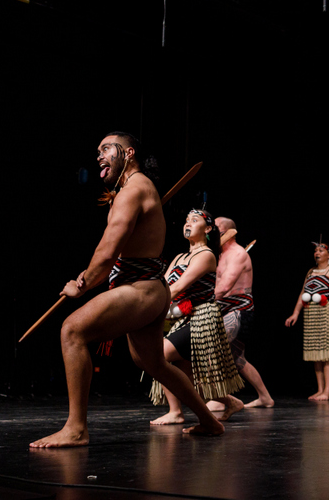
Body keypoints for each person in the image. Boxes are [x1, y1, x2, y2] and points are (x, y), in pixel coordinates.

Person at [30, 132, 224, 448]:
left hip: (141, 289)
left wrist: (82, 285)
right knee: (154, 363)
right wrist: (93, 275)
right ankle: (209, 421)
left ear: (129, 153)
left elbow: (108, 252)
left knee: (72, 330)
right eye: (97, 151)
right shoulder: (133, 190)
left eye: (106, 148)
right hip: (151, 290)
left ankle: (76, 429)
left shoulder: (133, 190)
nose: (99, 155)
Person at [149, 209, 245, 424]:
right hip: (183, 318)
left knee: (158, 356)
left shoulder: (206, 255)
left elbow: (177, 288)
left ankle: (177, 412)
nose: (187, 223)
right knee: (185, 378)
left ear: (208, 228)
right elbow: (163, 286)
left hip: (202, 318)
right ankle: (228, 401)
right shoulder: (179, 257)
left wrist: (152, 308)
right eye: (186, 220)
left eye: (194, 220)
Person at [213, 217, 274, 408]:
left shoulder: (238, 254)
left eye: (215, 229)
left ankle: (220, 400)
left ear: (227, 232)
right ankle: (265, 397)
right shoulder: (219, 255)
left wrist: (201, 302)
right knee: (237, 358)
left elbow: (224, 287)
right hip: (222, 308)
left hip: (238, 309)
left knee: (218, 352)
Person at [285, 242, 329, 401]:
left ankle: (328, 390)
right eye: (315, 250)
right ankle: (320, 389)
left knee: (328, 354)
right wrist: (295, 313)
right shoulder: (310, 272)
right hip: (312, 313)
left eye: (321, 250)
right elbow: (302, 293)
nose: (317, 253)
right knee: (316, 353)